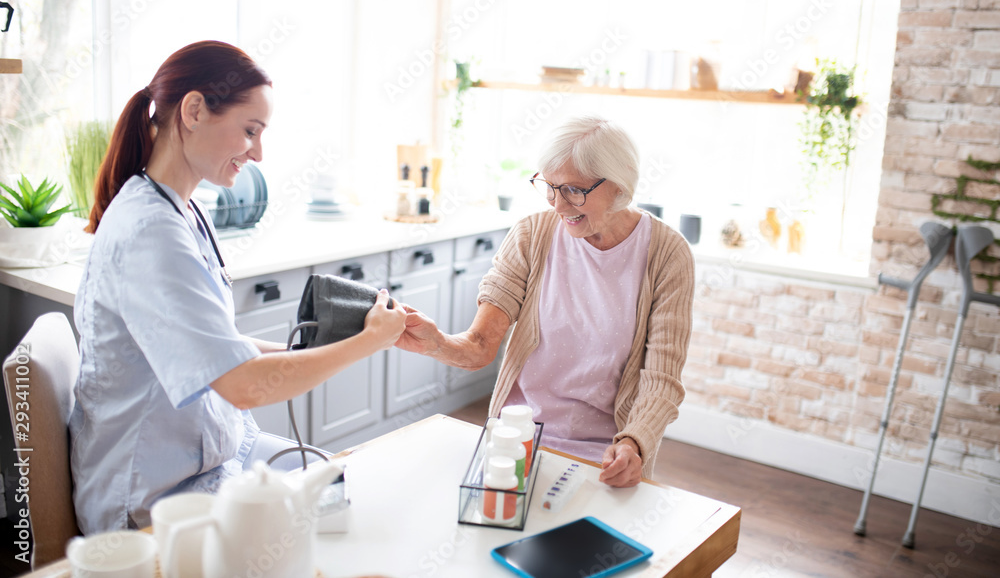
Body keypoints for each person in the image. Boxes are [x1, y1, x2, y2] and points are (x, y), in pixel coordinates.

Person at [70, 41, 406, 534]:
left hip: (208, 457)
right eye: (251, 131)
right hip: (153, 494)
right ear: (194, 110)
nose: (260, 152)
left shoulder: (183, 209)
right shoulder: (150, 234)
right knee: (329, 526)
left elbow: (220, 350)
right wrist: (369, 342)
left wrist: (322, 342)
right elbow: (244, 384)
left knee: (338, 486)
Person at [397, 115, 693, 487]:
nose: (557, 204)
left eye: (573, 190)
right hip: (516, 440)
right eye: (549, 186)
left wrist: (635, 442)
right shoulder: (531, 235)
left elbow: (662, 378)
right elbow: (480, 346)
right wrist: (436, 342)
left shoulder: (667, 254)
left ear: (619, 185)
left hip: (606, 455)